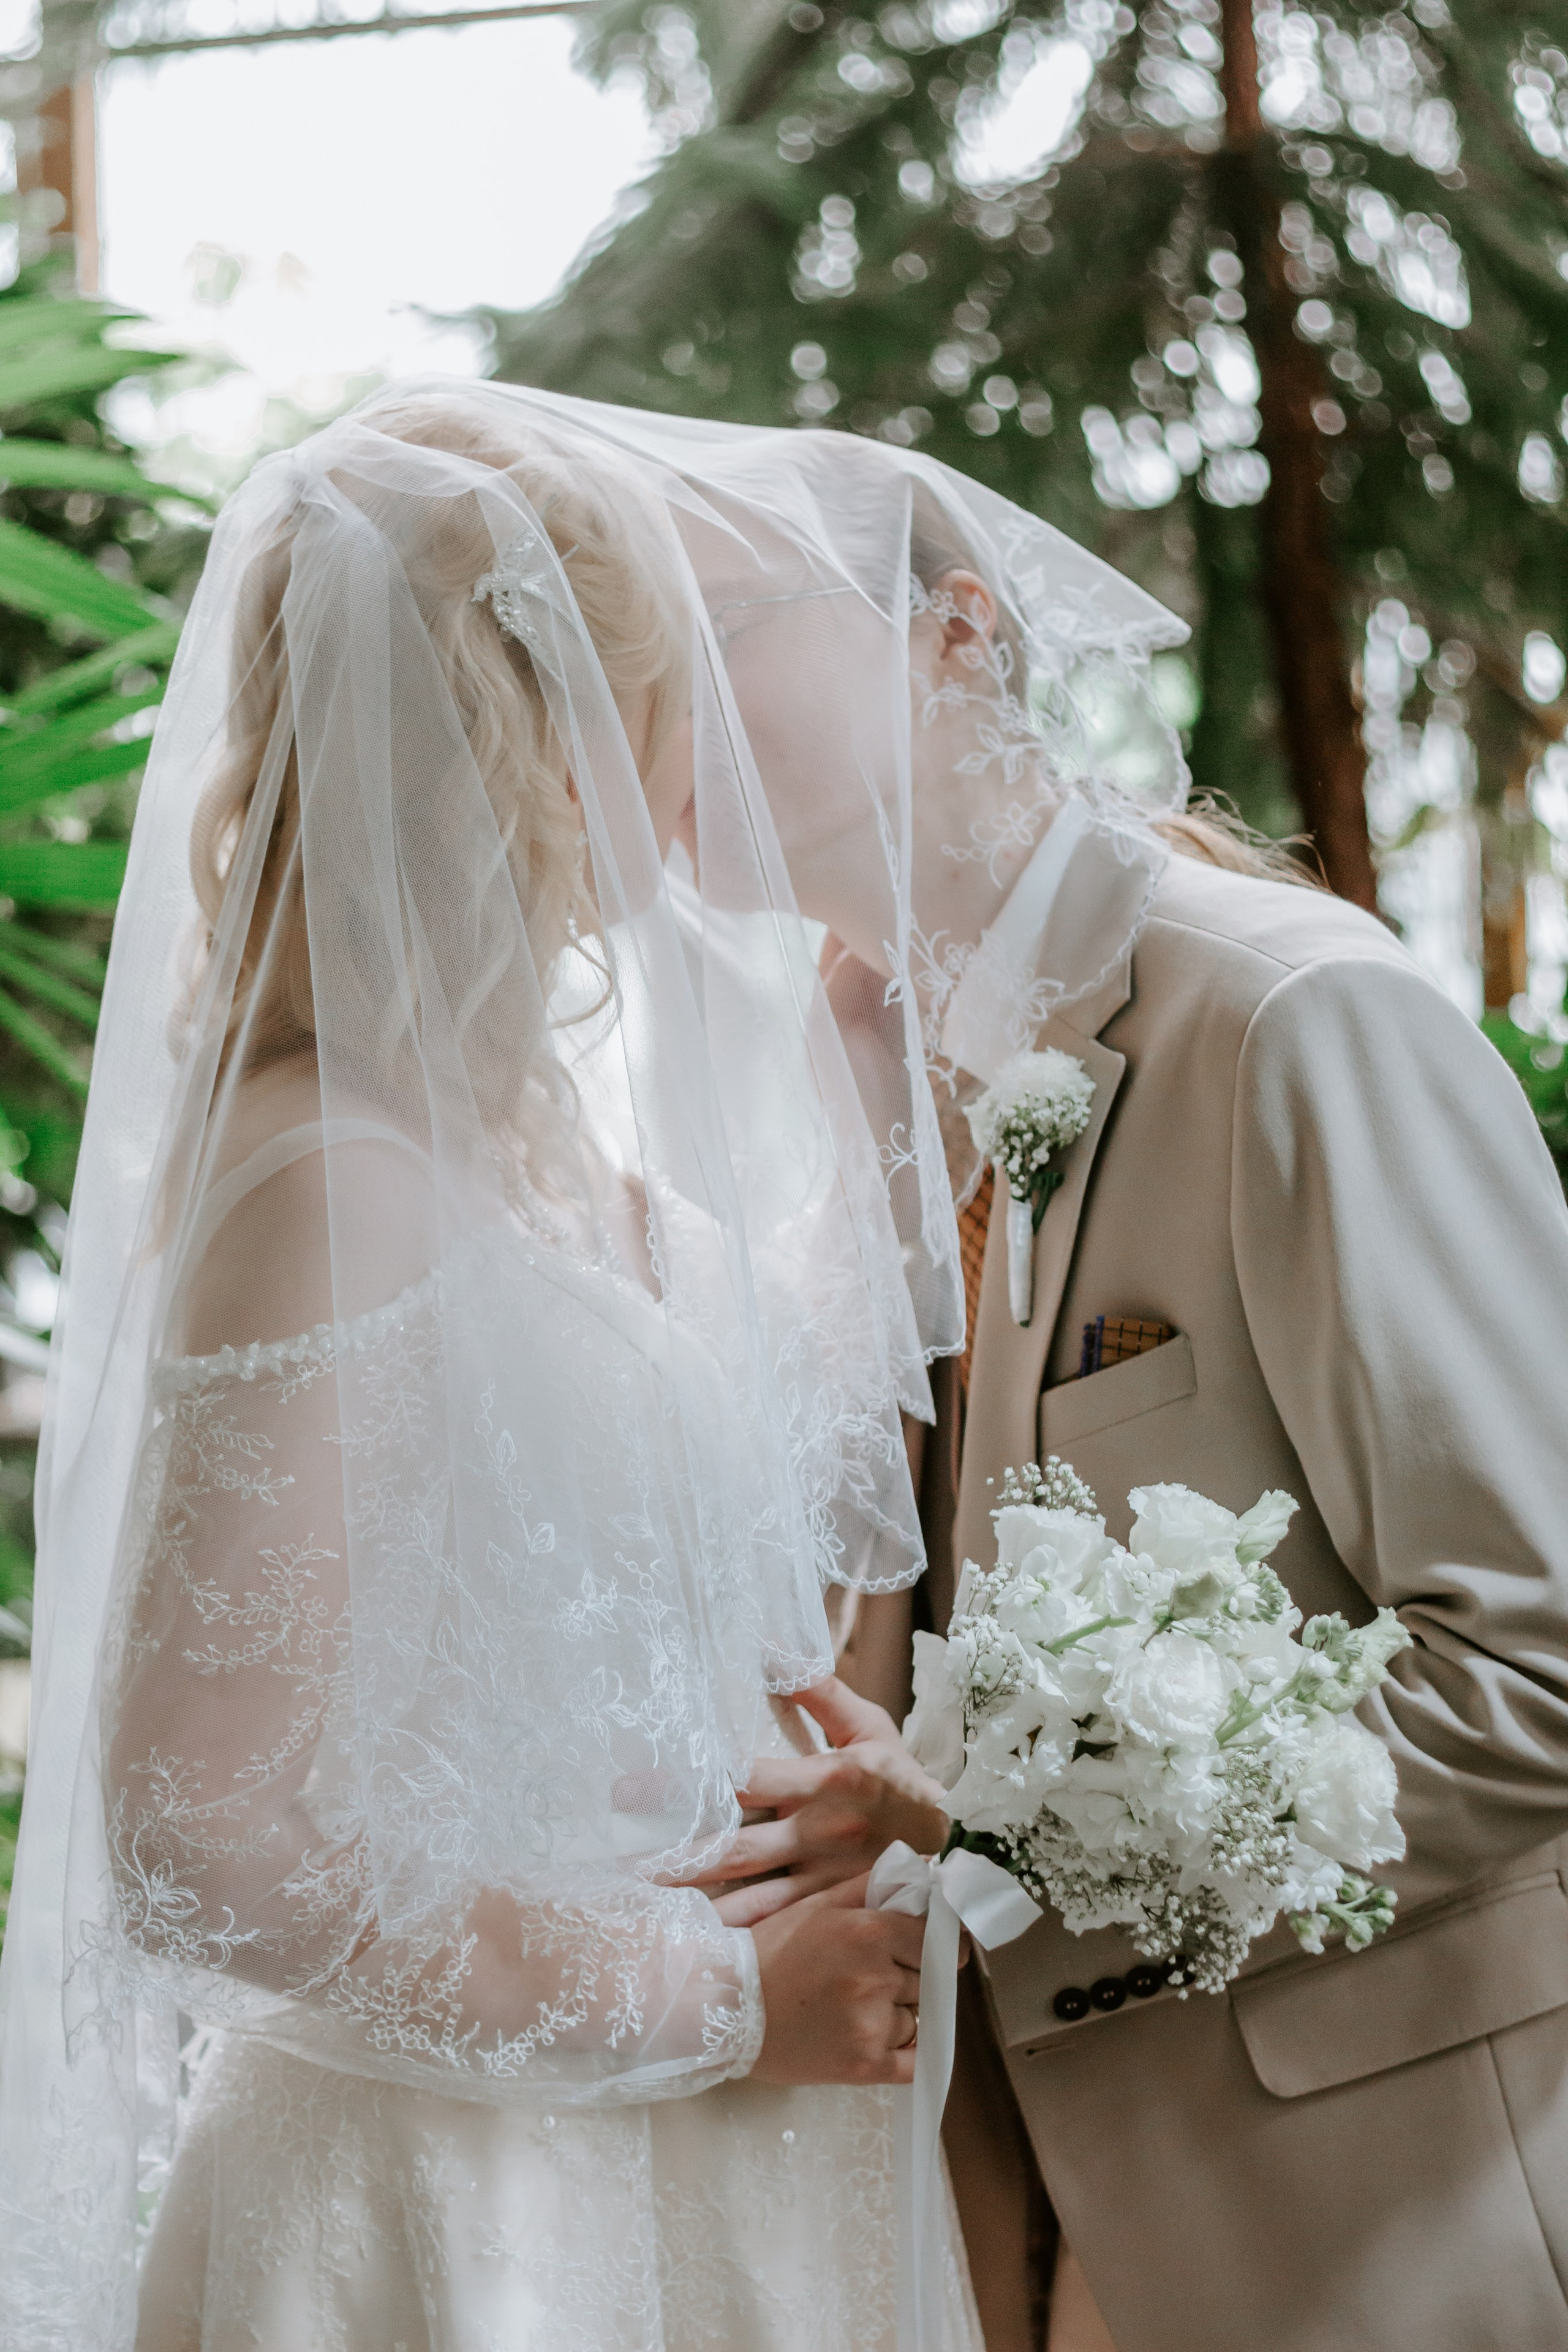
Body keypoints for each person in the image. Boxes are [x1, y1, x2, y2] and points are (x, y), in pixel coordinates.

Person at [0, 387, 993, 2352]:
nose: (690, 760)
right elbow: (203, 1848)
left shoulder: (512, 1127)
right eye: (657, 701)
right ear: (540, 748)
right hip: (467, 2214)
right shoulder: (325, 1175)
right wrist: (718, 2008)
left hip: (708, 2173)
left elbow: (708, 1531)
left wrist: (885, 1093)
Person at [669, 425, 1568, 2351]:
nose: (665, 685)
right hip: (1004, 2231)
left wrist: (995, 1827)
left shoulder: (1289, 1022)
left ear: (959, 639)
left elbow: (1539, 1674)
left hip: (1389, 2219)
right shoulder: (835, 1100)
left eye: (722, 620)